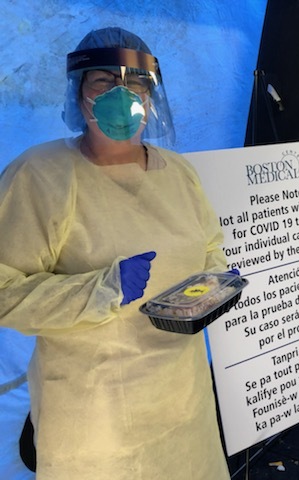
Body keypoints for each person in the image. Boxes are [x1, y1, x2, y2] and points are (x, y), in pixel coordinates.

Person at [0, 27, 231, 479]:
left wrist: (216, 283)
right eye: (103, 82)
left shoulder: (179, 173)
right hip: (94, 413)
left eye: (136, 84)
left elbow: (209, 248)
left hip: (181, 398)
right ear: (79, 94)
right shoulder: (41, 177)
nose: (121, 96)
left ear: (152, 96)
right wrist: (101, 289)